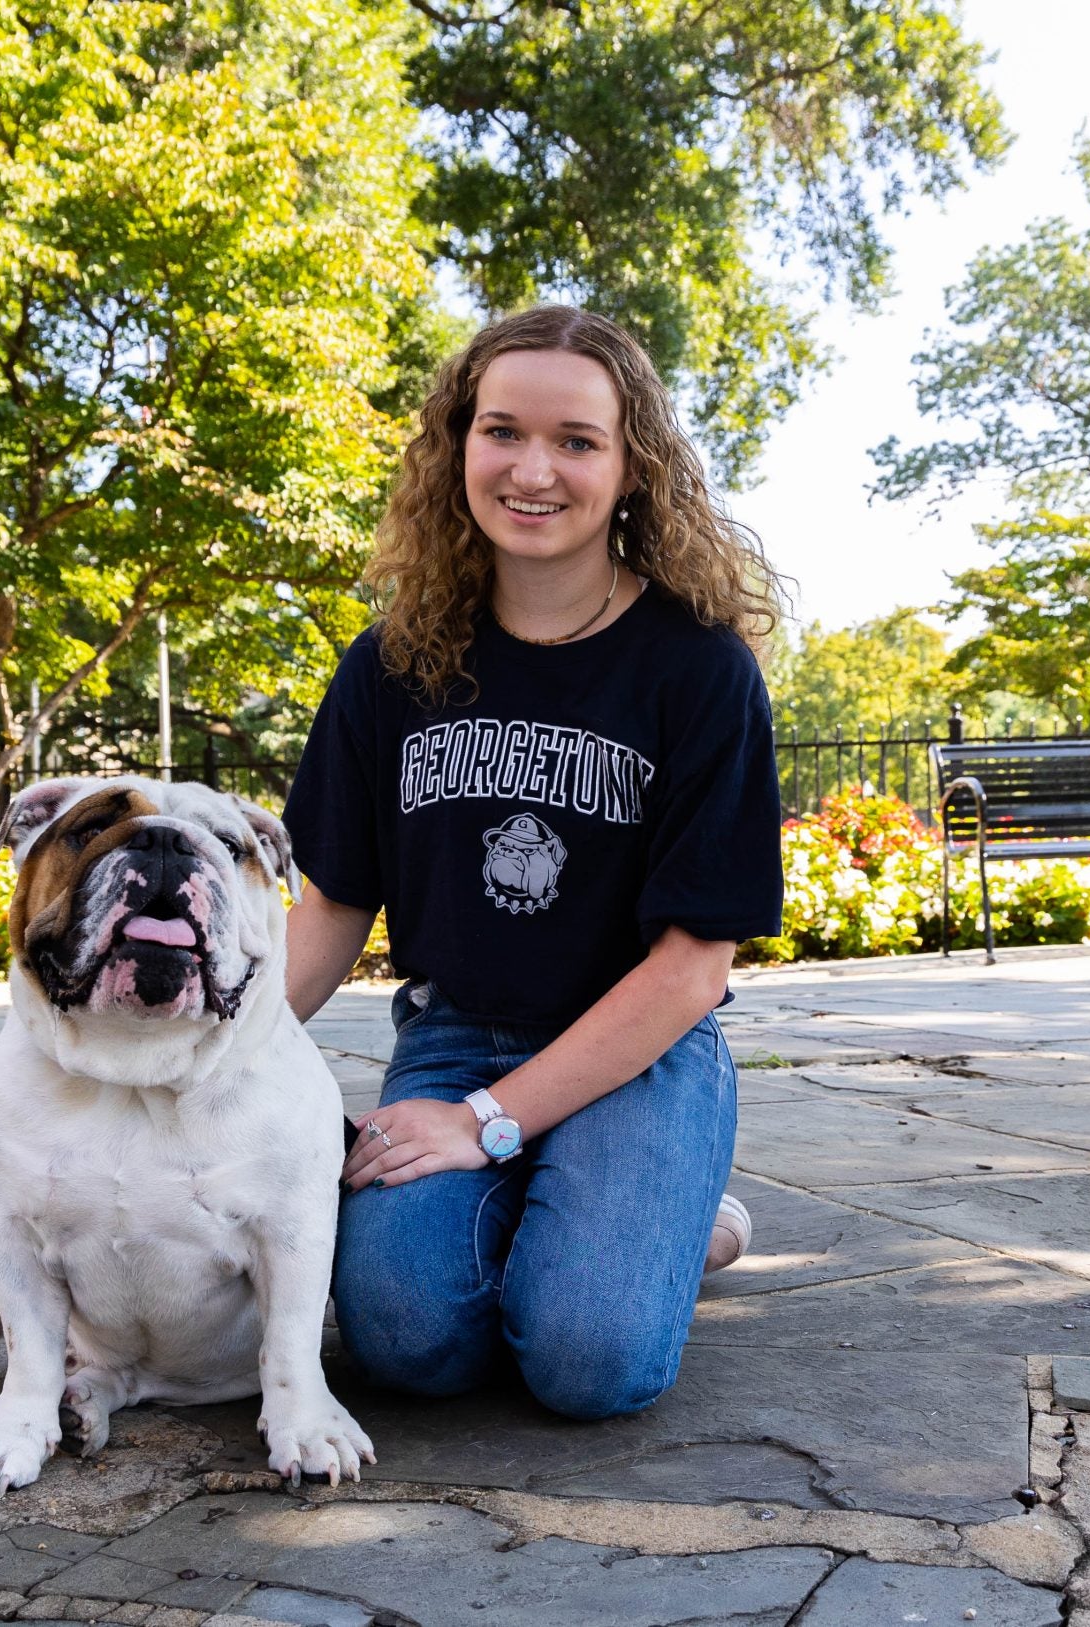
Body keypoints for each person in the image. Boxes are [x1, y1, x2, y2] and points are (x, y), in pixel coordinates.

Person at [281, 305, 785, 1422]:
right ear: (458, 444)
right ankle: (620, 1216)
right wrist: (196, 1061)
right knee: (403, 1339)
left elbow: (692, 969)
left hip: (639, 1045)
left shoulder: (698, 671)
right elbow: (331, 903)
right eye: (503, 430)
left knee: (589, 1360)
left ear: (631, 466)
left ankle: (662, 1206)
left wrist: (482, 1125)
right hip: (458, 1034)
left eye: (576, 440)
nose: (533, 470)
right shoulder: (392, 665)